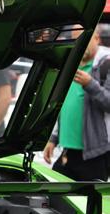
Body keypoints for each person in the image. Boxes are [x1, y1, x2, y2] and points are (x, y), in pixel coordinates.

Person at [44, 28, 110, 181]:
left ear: (97, 39)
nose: (81, 45)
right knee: (56, 191)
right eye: (77, 41)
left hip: (94, 154)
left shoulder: (105, 65)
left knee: (89, 196)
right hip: (67, 151)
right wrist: (53, 139)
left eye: (85, 40)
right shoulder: (71, 65)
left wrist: (90, 84)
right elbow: (64, 106)